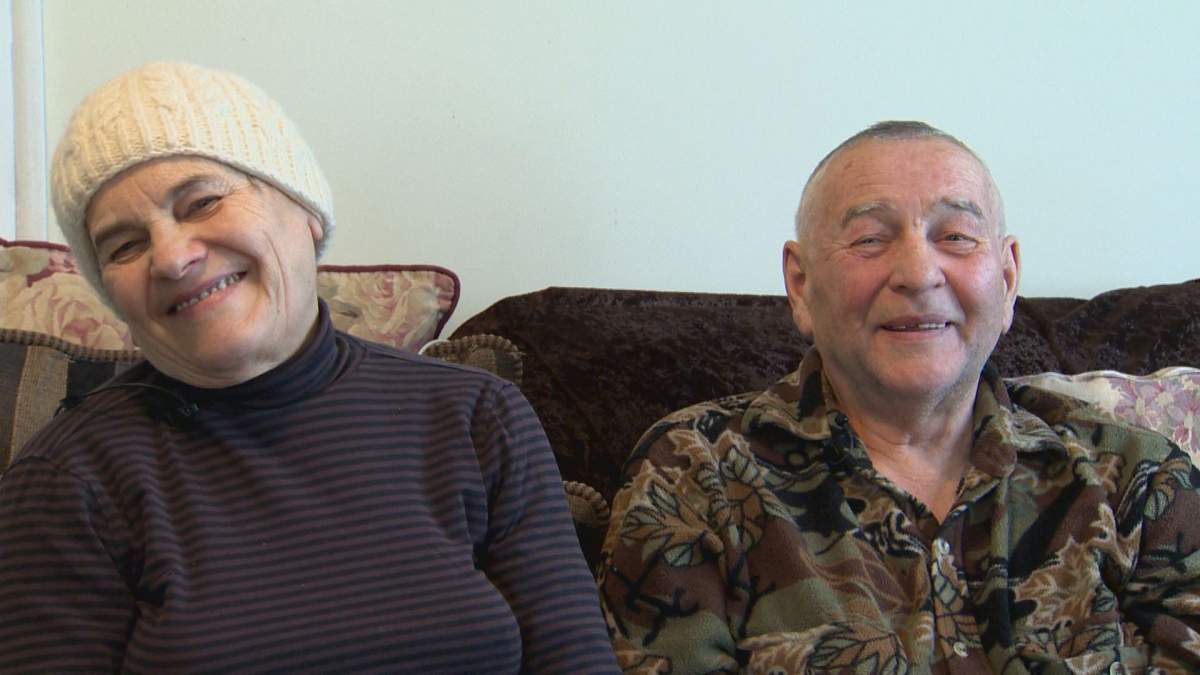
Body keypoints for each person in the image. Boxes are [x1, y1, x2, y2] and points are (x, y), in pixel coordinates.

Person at [0, 62, 617, 673]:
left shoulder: (478, 418)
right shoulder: (66, 481)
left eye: (203, 201)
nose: (172, 257)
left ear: (305, 211)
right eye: (125, 246)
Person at [598, 121, 1200, 672]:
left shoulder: (1136, 481)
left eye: (957, 236)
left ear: (1009, 277)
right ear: (801, 284)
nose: (917, 272)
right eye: (869, 240)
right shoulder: (696, 473)